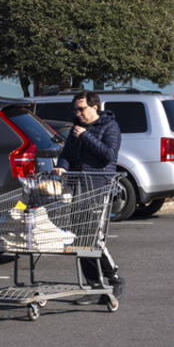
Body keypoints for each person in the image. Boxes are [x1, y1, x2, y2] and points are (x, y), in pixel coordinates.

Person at [54, 90, 123, 292]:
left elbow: (108, 155)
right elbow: (67, 153)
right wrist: (62, 166)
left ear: (94, 107)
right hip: (78, 187)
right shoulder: (77, 128)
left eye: (81, 109)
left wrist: (85, 136)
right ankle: (93, 285)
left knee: (93, 238)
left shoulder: (110, 127)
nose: (78, 113)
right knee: (80, 238)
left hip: (99, 187)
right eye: (75, 110)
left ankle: (113, 277)